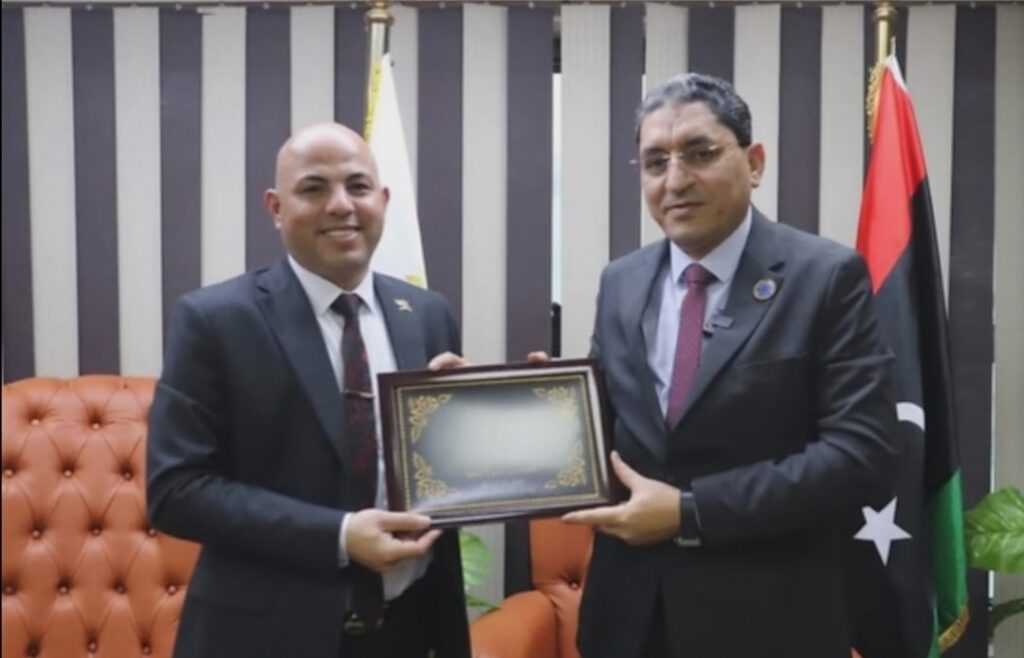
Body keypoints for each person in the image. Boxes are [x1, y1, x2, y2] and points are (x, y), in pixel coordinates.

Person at [558, 74, 899, 657]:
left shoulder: (825, 277)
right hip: (629, 619)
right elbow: (605, 431)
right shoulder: (621, 281)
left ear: (755, 162)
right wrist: (534, 401)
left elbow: (860, 455)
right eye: (655, 162)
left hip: (767, 620)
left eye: (700, 153)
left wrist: (690, 513)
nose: (675, 180)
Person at [147, 122, 470, 658]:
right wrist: (339, 536)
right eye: (314, 188)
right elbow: (176, 491)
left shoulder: (428, 314)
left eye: (358, 186)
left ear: (384, 200)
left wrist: (493, 409)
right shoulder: (214, 320)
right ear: (276, 208)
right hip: (264, 639)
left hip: (410, 630)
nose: (341, 205)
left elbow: (442, 473)